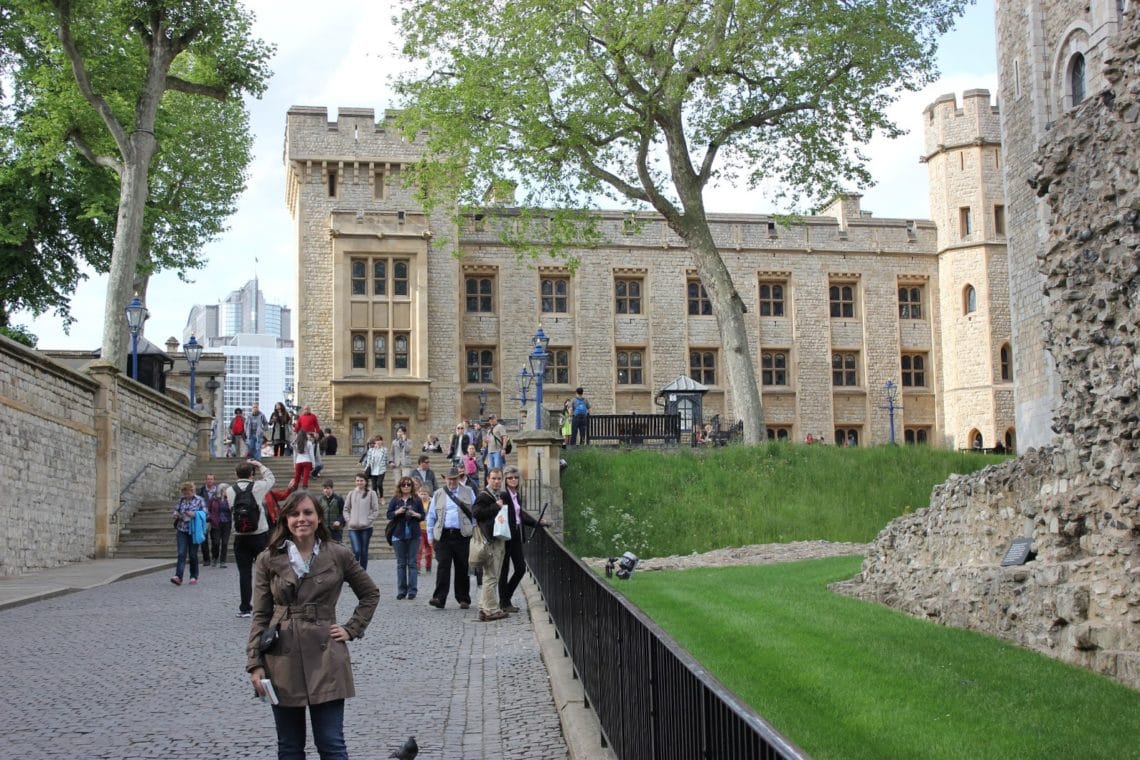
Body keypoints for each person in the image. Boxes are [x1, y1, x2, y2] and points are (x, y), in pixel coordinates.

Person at [247, 491, 379, 760]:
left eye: (308, 513)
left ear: (319, 518)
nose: (301, 519)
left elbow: (370, 593)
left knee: (331, 744)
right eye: (294, 514)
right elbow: (260, 614)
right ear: (286, 520)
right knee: (290, 747)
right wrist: (255, 663)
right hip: (281, 656)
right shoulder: (268, 558)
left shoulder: (338, 554)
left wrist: (351, 628)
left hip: (326, 655)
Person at [226, 459, 276, 618]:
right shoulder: (257, 487)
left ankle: (245, 607)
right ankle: (267, 605)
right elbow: (271, 479)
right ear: (251, 474)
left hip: (240, 537)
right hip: (259, 534)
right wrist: (260, 465)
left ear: (236, 474)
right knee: (265, 572)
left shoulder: (229, 490)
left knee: (244, 573)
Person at [499, 465, 549, 613]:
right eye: (510, 478)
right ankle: (504, 601)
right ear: (505, 480)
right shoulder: (504, 495)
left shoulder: (516, 494)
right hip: (505, 535)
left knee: (520, 568)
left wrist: (537, 523)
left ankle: (505, 597)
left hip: (516, 536)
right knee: (504, 570)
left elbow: (520, 516)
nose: (513, 480)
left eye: (515, 477)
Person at [426, 467, 474, 610]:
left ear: (459, 478)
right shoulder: (438, 494)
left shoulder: (468, 491)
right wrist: (430, 536)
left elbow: (474, 514)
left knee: (462, 566)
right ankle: (439, 598)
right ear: (445, 479)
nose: (452, 481)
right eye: (449, 479)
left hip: (462, 534)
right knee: (443, 566)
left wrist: (475, 531)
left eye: (454, 478)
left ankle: (463, 598)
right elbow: (431, 516)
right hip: (443, 535)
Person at [471, 468, 509, 622]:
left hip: (496, 537)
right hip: (490, 539)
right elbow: (476, 513)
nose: (497, 481)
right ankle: (491, 609)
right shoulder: (484, 496)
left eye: (499, 479)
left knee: (491, 575)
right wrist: (496, 506)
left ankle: (484, 607)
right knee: (491, 576)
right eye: (494, 478)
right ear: (488, 479)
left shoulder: (497, 495)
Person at [387, 477, 424, 600]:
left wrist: (414, 514)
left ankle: (412, 590)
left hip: (414, 535)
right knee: (401, 564)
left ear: (412, 486)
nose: (406, 487)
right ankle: (402, 590)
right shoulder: (395, 500)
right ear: (400, 486)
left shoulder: (416, 500)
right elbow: (389, 515)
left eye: (409, 484)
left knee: (412, 563)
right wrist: (397, 511)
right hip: (398, 534)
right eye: (404, 484)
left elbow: (422, 516)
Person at [344, 472, 380, 570]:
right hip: (353, 527)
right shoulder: (351, 493)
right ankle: (355, 573)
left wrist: (369, 520)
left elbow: (376, 510)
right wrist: (349, 520)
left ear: (365, 482)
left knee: (364, 551)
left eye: (361, 481)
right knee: (356, 550)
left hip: (366, 527)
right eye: (357, 481)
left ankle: (363, 573)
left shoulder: (371, 493)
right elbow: (346, 509)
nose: (359, 483)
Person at [171, 481, 205, 586]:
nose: (186, 495)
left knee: (193, 554)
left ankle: (193, 576)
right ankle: (178, 576)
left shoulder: (199, 500)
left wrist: (194, 514)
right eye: (184, 493)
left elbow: (205, 513)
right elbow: (176, 511)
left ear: (192, 491)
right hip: (182, 529)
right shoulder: (181, 501)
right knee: (181, 553)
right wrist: (176, 515)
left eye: (188, 493)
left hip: (194, 530)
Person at [200, 474, 232, 568]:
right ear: (222, 490)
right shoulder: (214, 499)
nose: (227, 491)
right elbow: (208, 509)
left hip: (227, 523)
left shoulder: (229, 500)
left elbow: (233, 509)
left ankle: (223, 561)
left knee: (225, 543)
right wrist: (210, 517)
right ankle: (215, 558)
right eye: (226, 490)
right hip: (216, 523)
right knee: (216, 542)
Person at [415, 483, 434, 574]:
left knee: (429, 550)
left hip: (429, 530)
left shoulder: (432, 502)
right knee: (419, 549)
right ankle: (418, 566)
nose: (423, 496)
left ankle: (428, 566)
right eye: (421, 494)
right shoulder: (416, 502)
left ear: (428, 494)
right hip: (419, 529)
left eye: (424, 494)